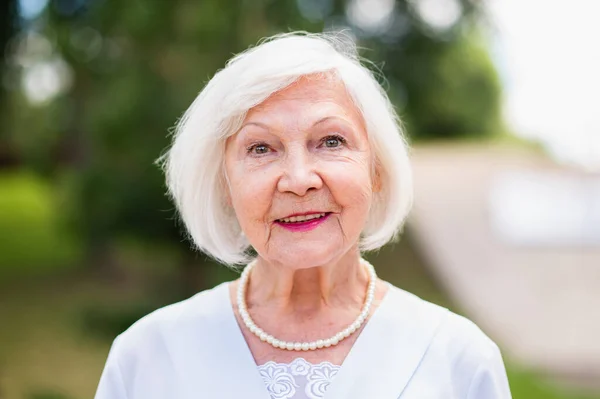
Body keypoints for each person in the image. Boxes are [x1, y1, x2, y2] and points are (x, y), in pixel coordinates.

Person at [94, 32, 512, 399]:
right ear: (224, 186)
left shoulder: (458, 358)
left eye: (330, 140)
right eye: (261, 148)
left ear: (377, 170)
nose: (298, 180)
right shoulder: (147, 355)